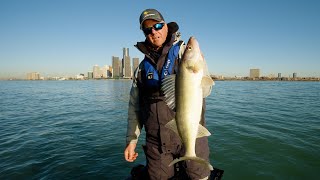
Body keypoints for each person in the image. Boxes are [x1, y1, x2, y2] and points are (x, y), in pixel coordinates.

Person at [124, 8, 213, 180]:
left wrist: (201, 67)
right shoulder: (142, 69)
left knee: (199, 176)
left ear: (165, 25)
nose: (154, 32)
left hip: (192, 135)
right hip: (157, 143)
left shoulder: (182, 53)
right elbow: (134, 107)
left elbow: (207, 90)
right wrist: (131, 140)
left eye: (157, 25)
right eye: (147, 29)